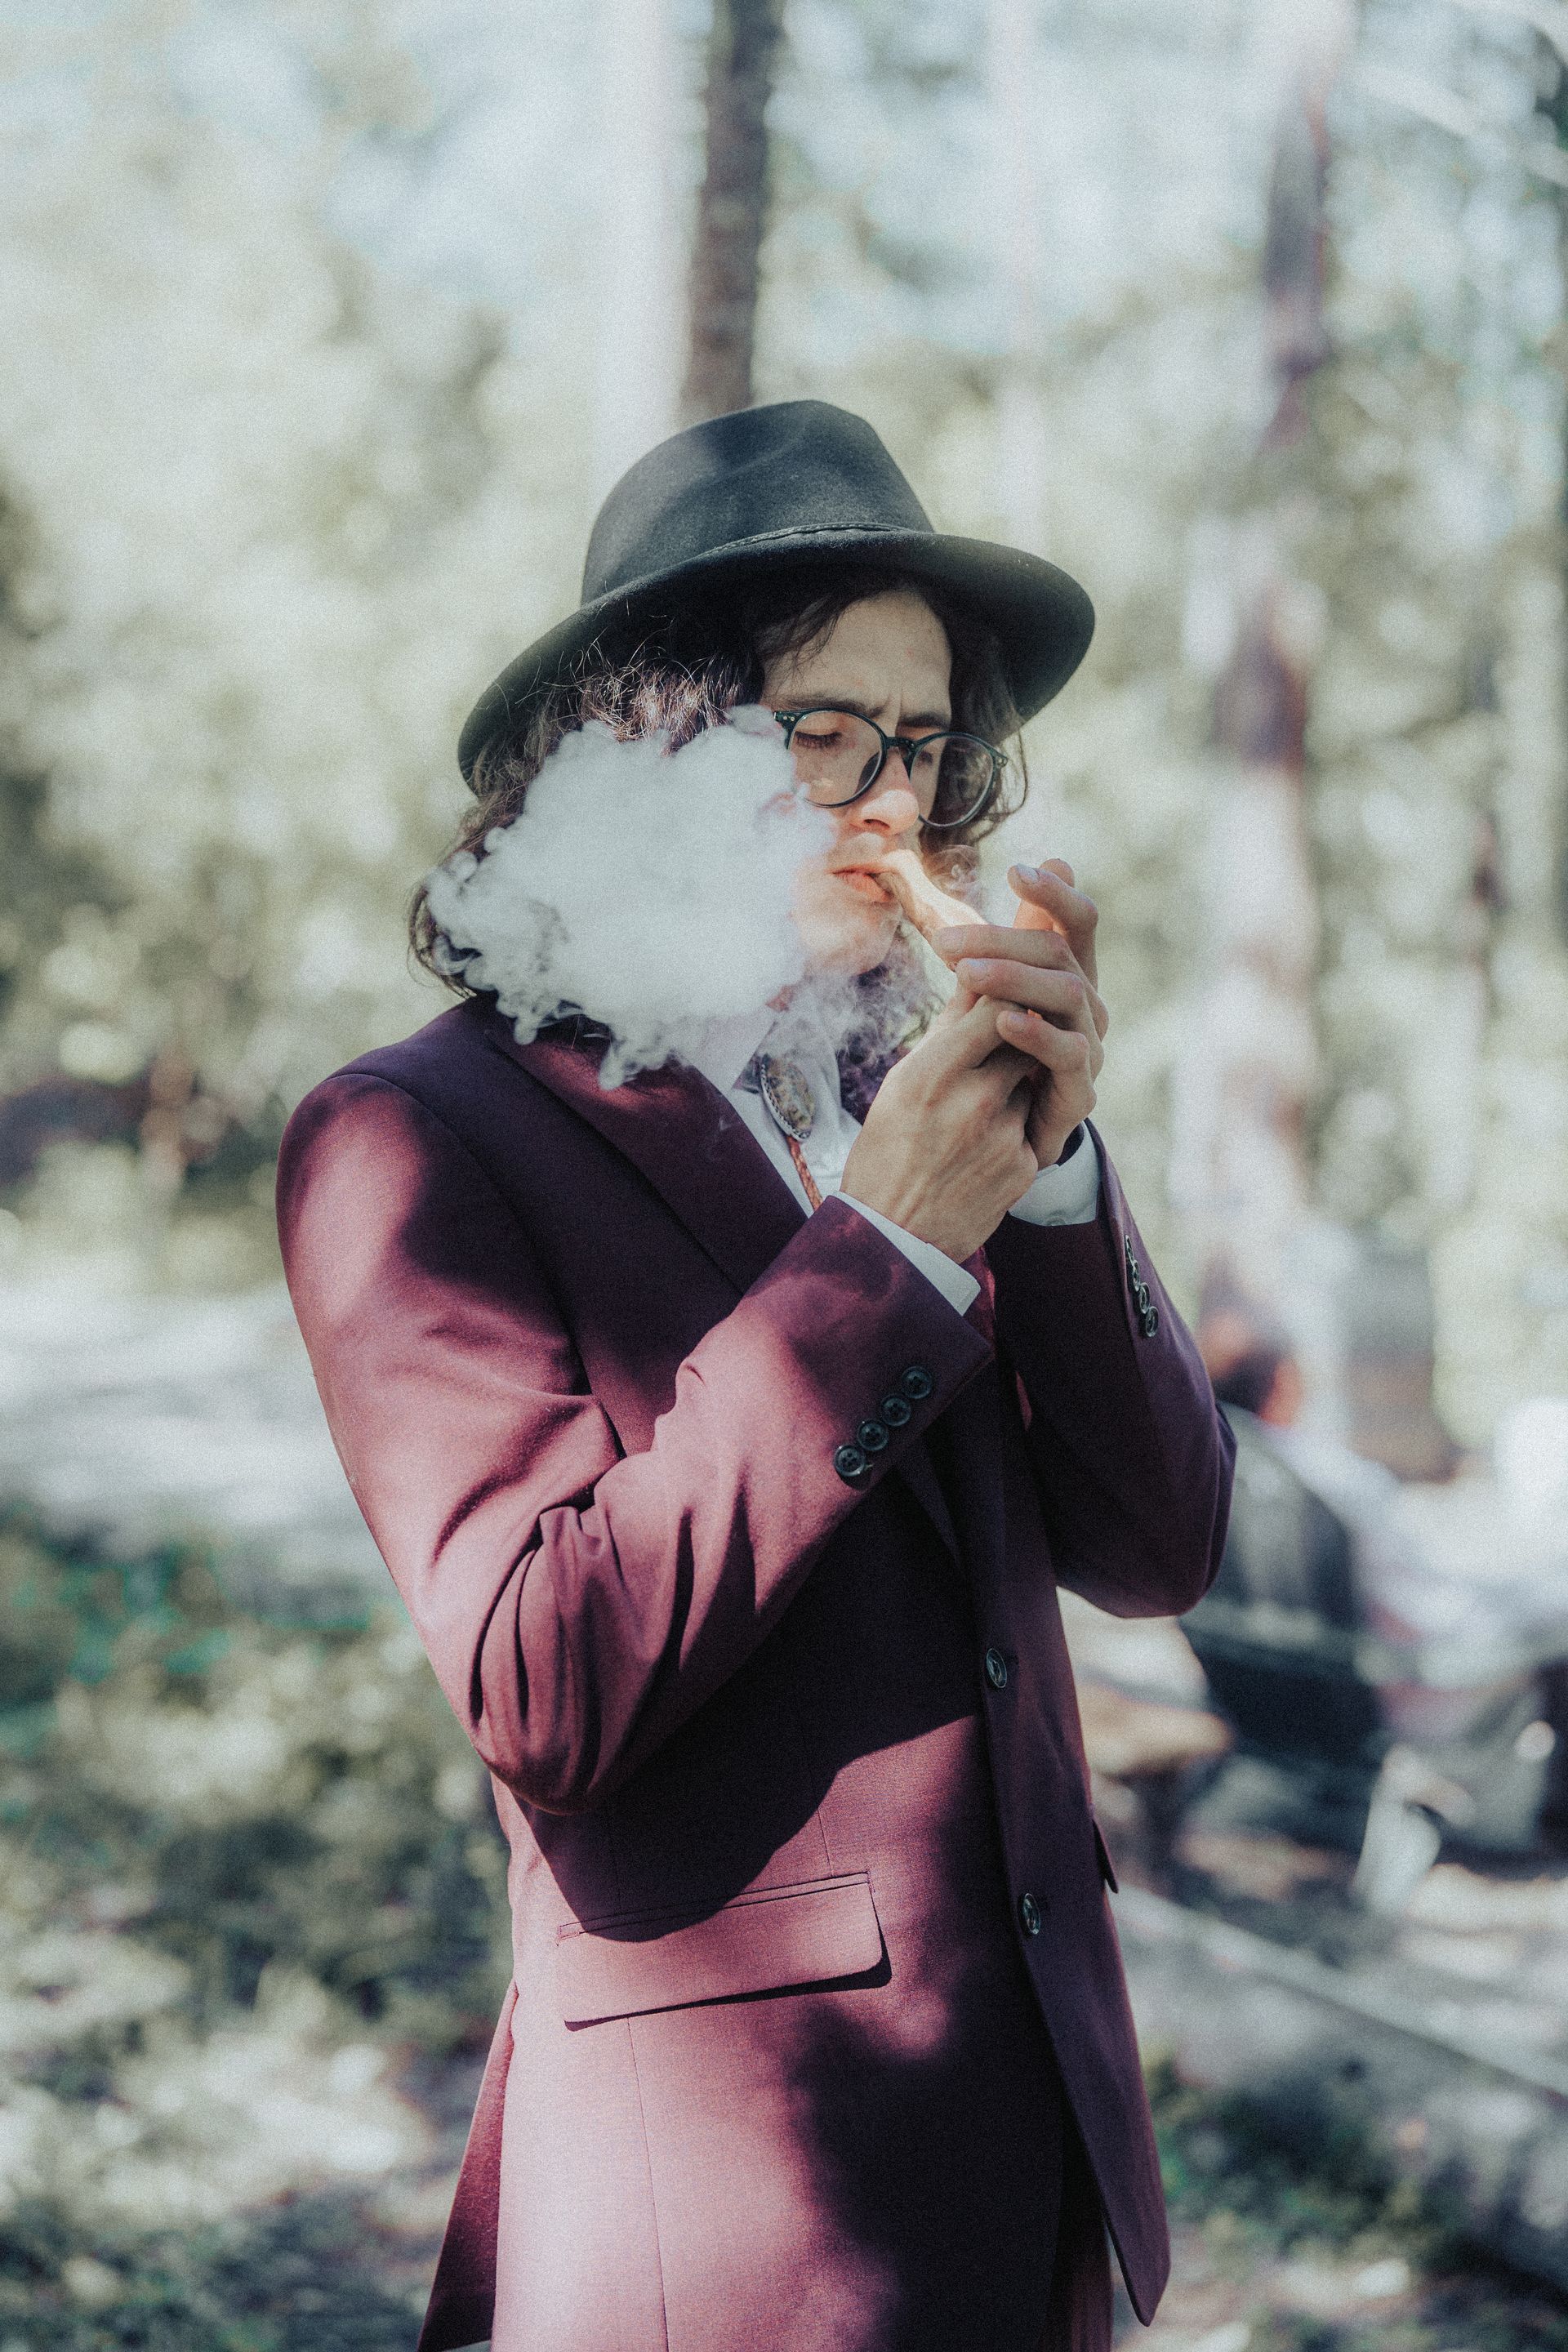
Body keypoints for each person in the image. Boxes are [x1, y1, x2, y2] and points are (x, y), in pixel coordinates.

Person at [276, 401, 1234, 2352]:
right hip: (725, 2225)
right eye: (818, 734)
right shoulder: (412, 1134)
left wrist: (1045, 1185)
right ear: (634, 745)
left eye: (923, 744)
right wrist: (875, 1257)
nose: (891, 803)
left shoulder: (904, 1085)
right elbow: (545, 1682)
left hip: (1028, 2141)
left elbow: (1160, 1551)